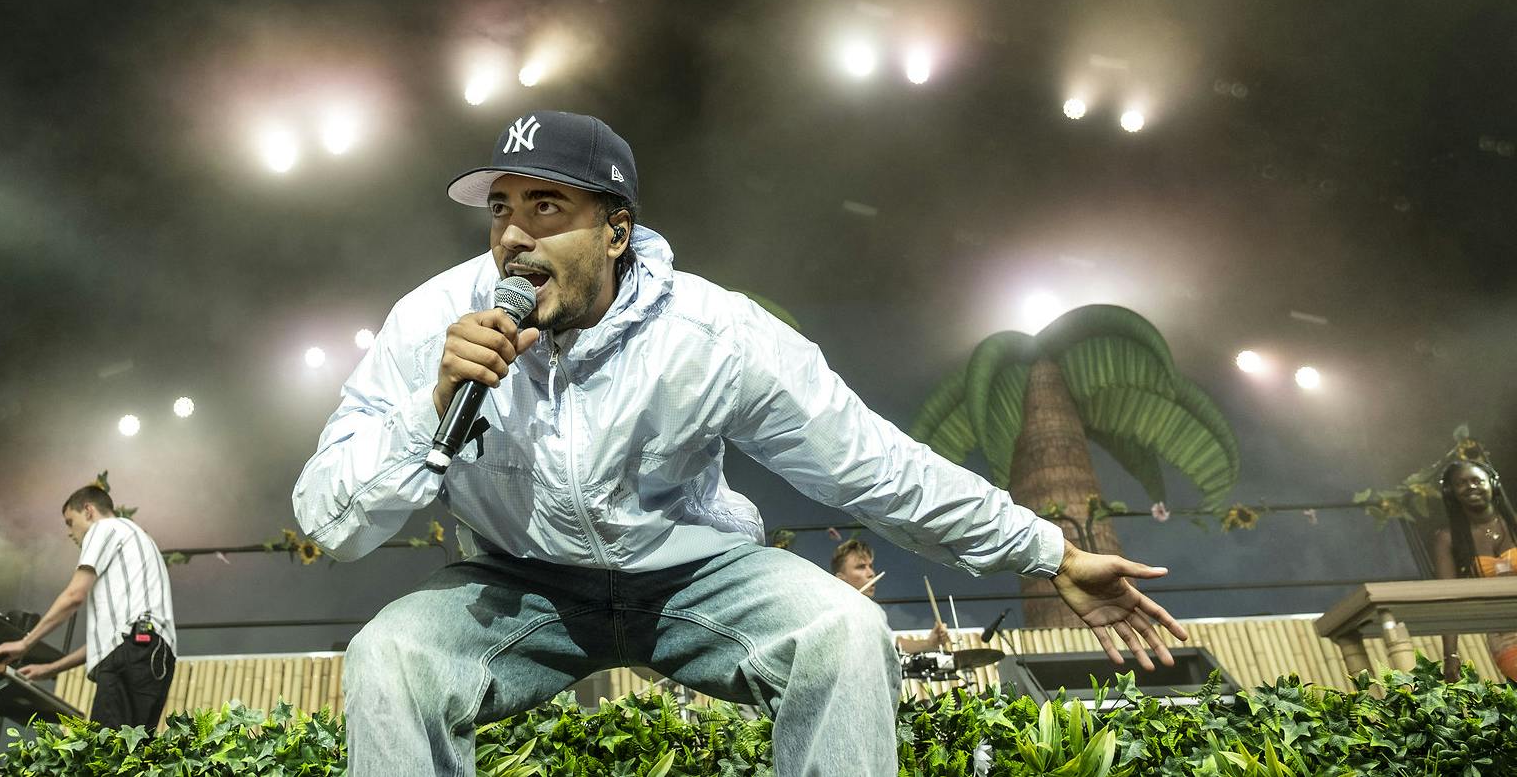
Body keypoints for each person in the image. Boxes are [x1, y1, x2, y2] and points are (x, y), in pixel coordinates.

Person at [292, 111, 1186, 777]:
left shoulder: (714, 335)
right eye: (500, 210)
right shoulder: (428, 324)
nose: (514, 236)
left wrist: (1046, 549)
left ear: (617, 229)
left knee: (842, 628)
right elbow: (326, 519)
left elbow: (873, 464)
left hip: (692, 576)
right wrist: (431, 405)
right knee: (391, 656)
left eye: (547, 205)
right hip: (519, 583)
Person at [0, 485, 178, 729]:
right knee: (131, 756)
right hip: (154, 659)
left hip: (133, 655)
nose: (69, 532)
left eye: (69, 521)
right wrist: (50, 669)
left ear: (88, 511)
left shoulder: (104, 528)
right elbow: (113, 640)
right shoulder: (140, 542)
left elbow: (74, 595)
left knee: (106, 756)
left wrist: (25, 643)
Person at [1432, 459, 1517, 682]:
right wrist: (1450, 653)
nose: (1470, 486)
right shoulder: (1448, 539)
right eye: (1461, 483)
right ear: (1451, 493)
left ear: (1493, 484)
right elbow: (1448, 599)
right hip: (1505, 635)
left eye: (1477, 480)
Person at [830, 538, 949, 655]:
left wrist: (930, 643)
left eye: (870, 566)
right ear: (841, 579)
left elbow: (894, 644)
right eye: (861, 567)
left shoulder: (875, 611)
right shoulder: (829, 613)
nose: (871, 573)